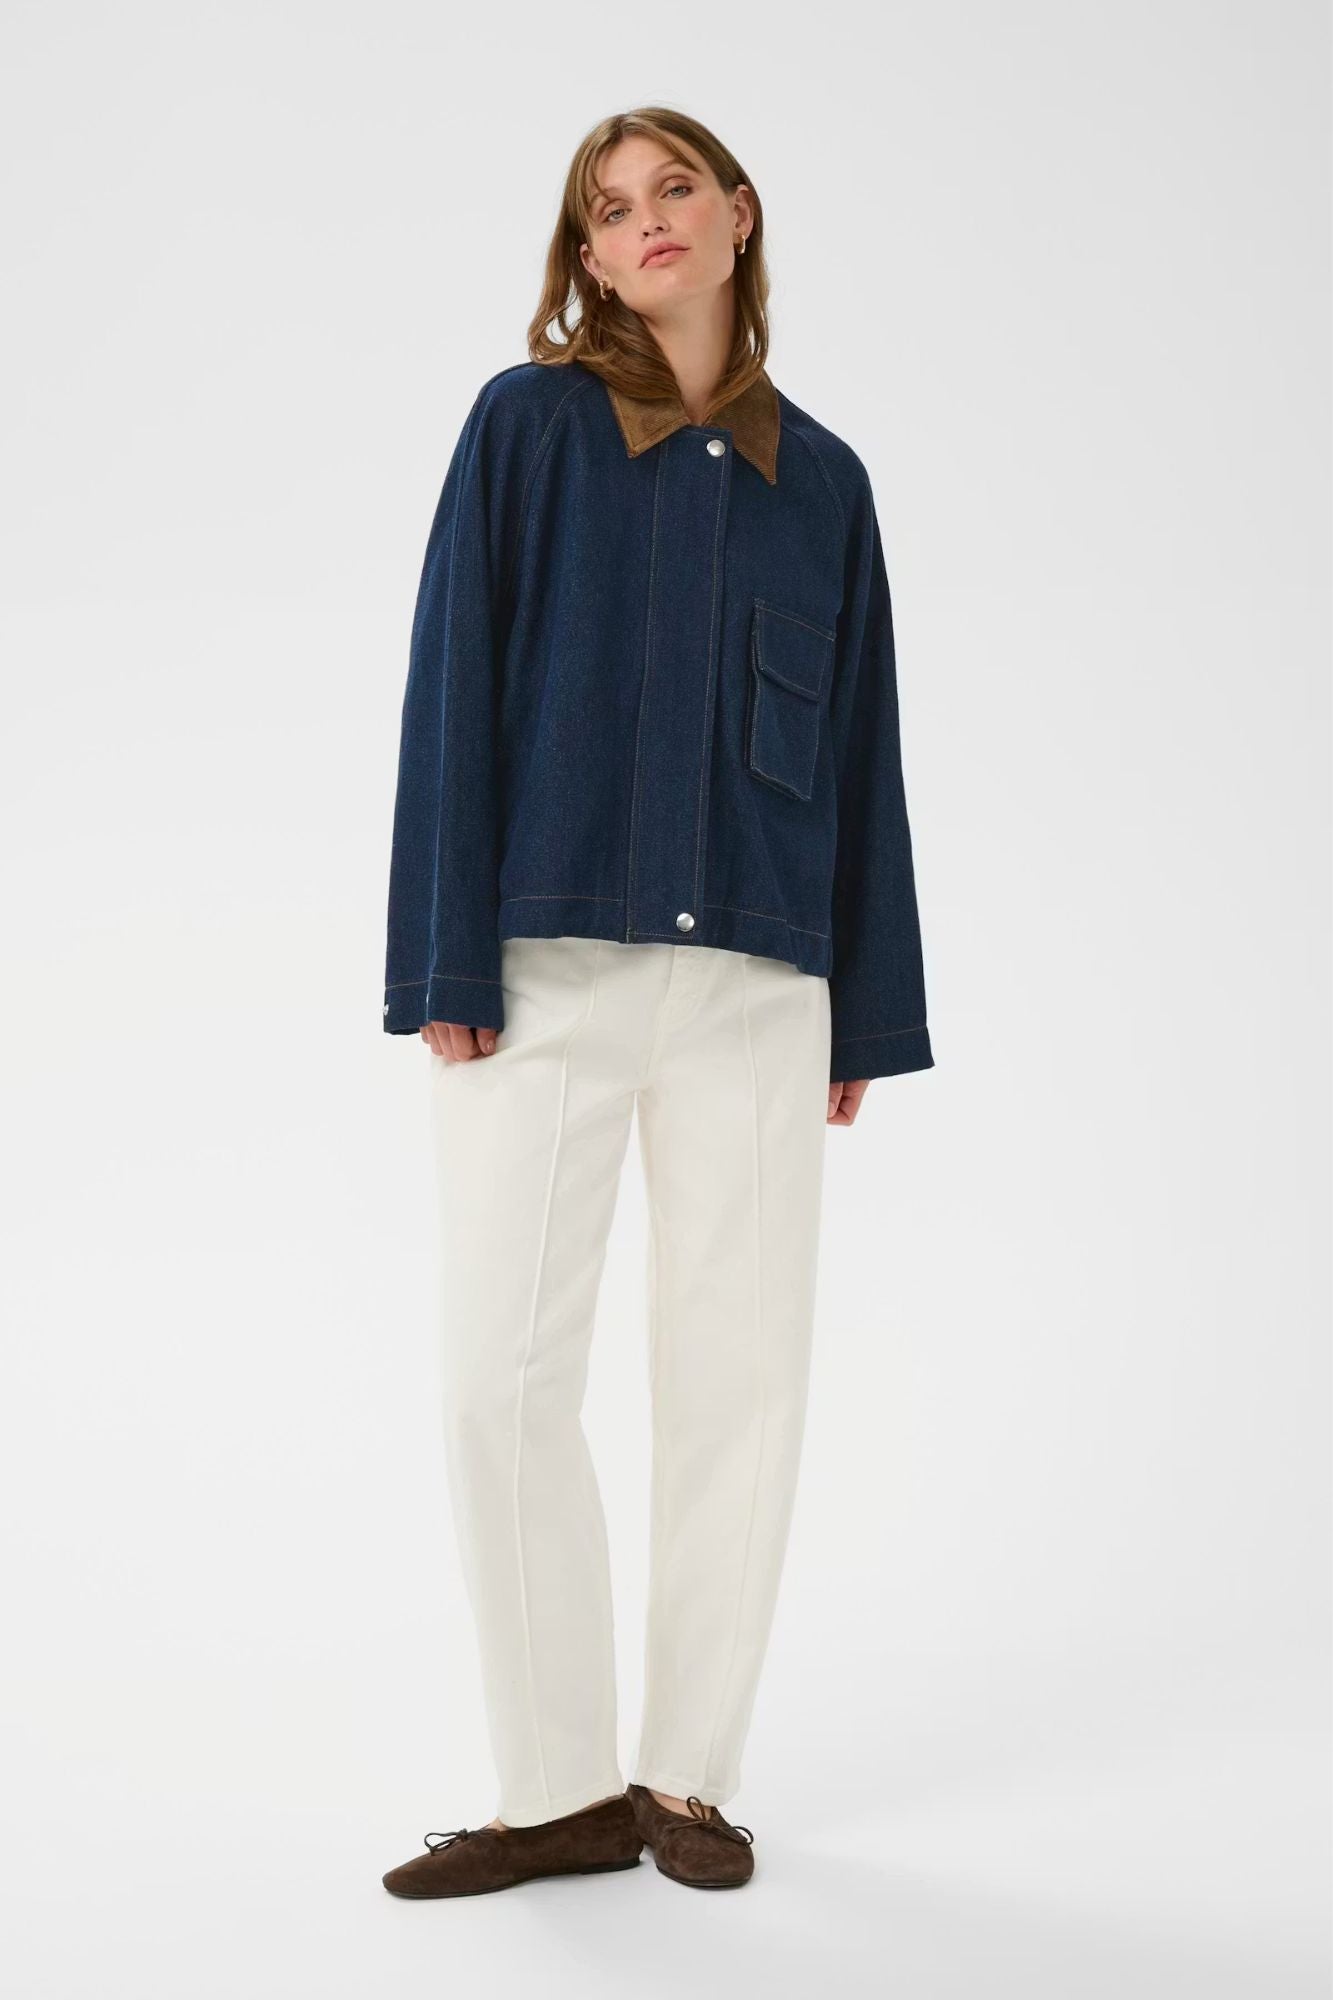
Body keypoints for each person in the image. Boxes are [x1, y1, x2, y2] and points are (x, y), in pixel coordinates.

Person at [379, 106, 934, 1899]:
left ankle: (687, 1779)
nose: (645, 224)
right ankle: (556, 1789)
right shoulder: (527, 426)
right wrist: (444, 959)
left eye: (672, 188)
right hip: (541, 973)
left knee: (738, 1385)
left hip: (760, 992)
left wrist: (865, 1012)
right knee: (497, 1380)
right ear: (590, 258)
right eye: (608, 210)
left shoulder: (823, 482)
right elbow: (453, 681)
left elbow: (863, 754)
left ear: (737, 213)